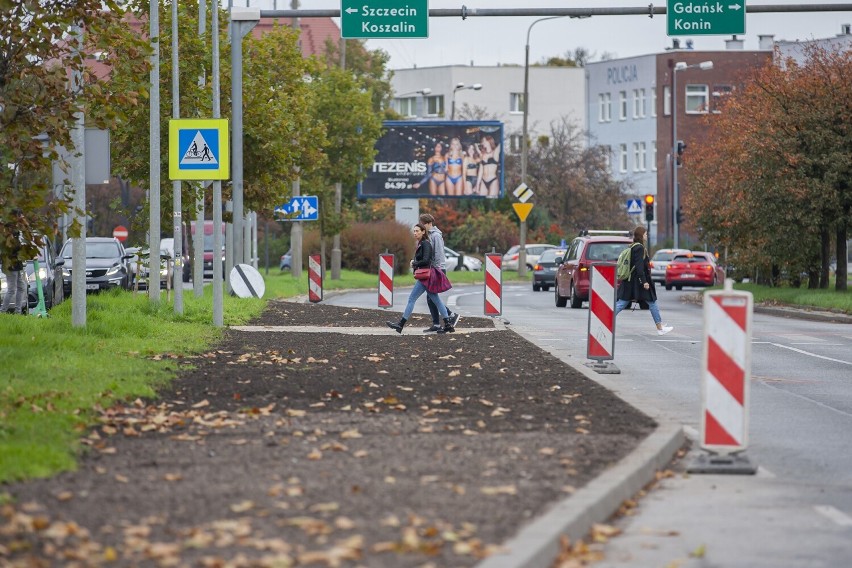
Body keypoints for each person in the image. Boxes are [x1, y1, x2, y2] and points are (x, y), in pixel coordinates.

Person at [386, 223, 455, 334]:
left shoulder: (425, 244)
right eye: (414, 231)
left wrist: (414, 263)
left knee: (412, 299)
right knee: (436, 300)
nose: (415, 233)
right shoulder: (421, 243)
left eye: (417, 231)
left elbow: (426, 260)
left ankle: (400, 325)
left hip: (426, 277)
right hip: (426, 276)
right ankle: (448, 324)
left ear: (423, 231)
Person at [615, 226, 673, 335]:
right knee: (651, 301)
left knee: (623, 303)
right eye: (645, 234)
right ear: (641, 236)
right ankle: (660, 328)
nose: (647, 236)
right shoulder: (639, 248)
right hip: (637, 282)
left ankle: (605, 319)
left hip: (631, 282)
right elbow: (639, 266)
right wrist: (644, 281)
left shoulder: (634, 247)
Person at [419, 213, 460, 333]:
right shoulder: (428, 235)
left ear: (428, 224)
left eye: (423, 224)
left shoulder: (436, 236)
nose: (421, 226)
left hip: (437, 269)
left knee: (432, 297)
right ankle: (436, 323)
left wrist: (437, 270)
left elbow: (439, 254)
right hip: (433, 269)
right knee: (430, 297)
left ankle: (450, 315)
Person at [1, 209, 27, 315]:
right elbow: (11, 248)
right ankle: (2, 312)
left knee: (21, 287)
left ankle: (18, 311)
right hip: (11, 265)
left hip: (17, 265)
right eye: (19, 216)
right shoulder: (9, 231)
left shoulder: (16, 231)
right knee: (11, 289)